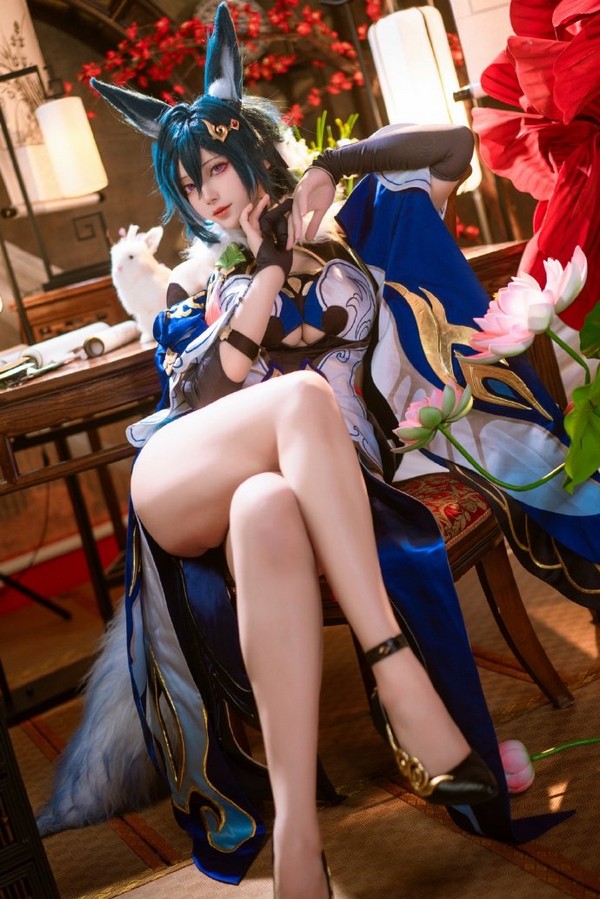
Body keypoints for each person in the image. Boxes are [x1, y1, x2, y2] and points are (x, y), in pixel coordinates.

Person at [37, 2, 588, 893]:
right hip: (179, 484)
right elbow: (210, 395)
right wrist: (261, 263)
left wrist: (336, 164)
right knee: (297, 399)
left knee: (268, 505)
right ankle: (398, 675)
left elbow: (453, 146)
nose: (208, 193)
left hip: (285, 497)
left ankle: (298, 845)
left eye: (218, 167)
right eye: (191, 185)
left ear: (255, 154)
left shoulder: (349, 235)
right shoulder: (199, 287)